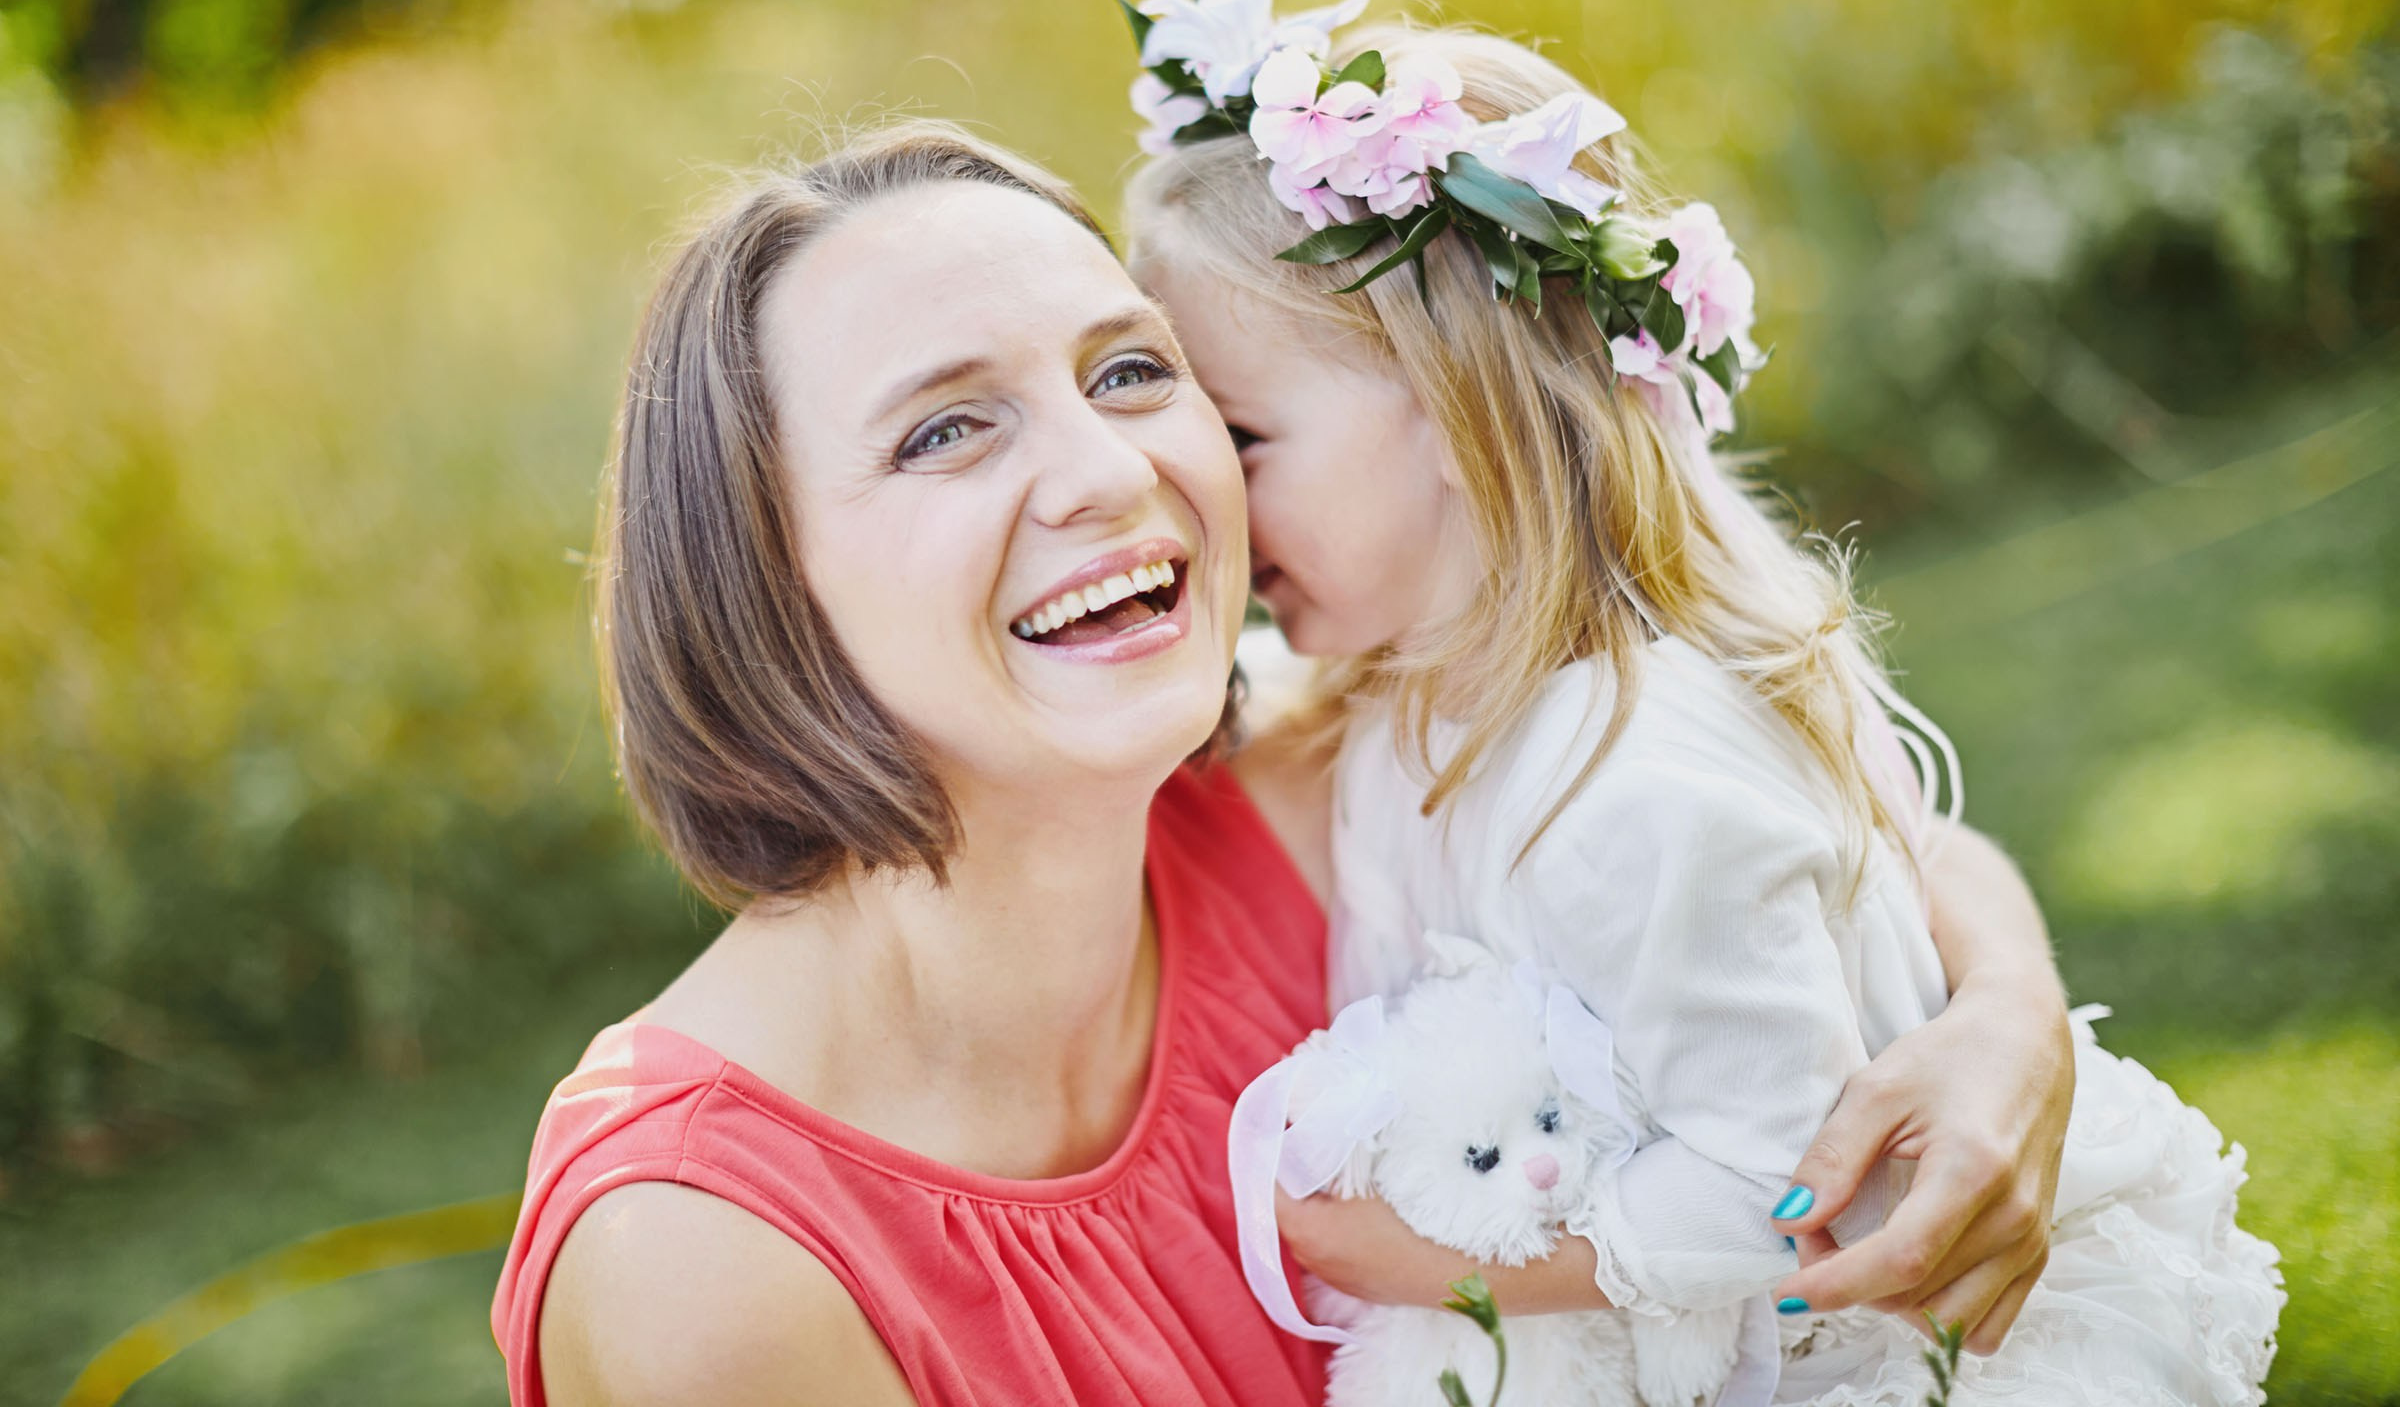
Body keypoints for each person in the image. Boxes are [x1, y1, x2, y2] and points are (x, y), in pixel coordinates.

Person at [491, 120, 2080, 1407]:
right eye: (945, 432)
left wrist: (2007, 1025)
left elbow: (1835, 842)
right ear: (757, 581)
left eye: (1129, 371)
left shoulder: (1331, 780)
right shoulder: (708, 1268)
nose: (1114, 473)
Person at [1121, 0, 2285, 1402]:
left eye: (1242, 438)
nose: (1207, 509)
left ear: (1446, 400)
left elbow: (1782, 1177)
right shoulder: (1403, 697)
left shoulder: (1632, 779)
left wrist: (1413, 1264)